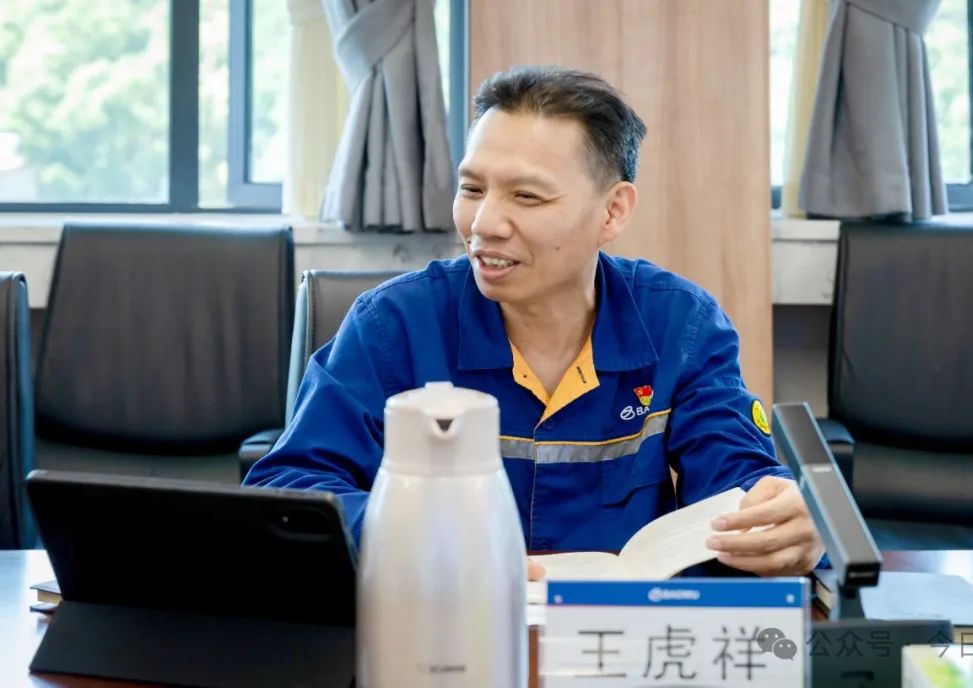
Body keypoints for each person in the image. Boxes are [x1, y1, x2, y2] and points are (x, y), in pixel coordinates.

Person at [245, 66, 825, 579]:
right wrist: (427, 541)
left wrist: (781, 520)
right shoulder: (392, 324)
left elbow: (738, 481)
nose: (484, 224)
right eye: (472, 189)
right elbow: (290, 491)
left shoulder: (681, 325)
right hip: (441, 625)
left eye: (526, 197)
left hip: (619, 639)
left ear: (613, 210)